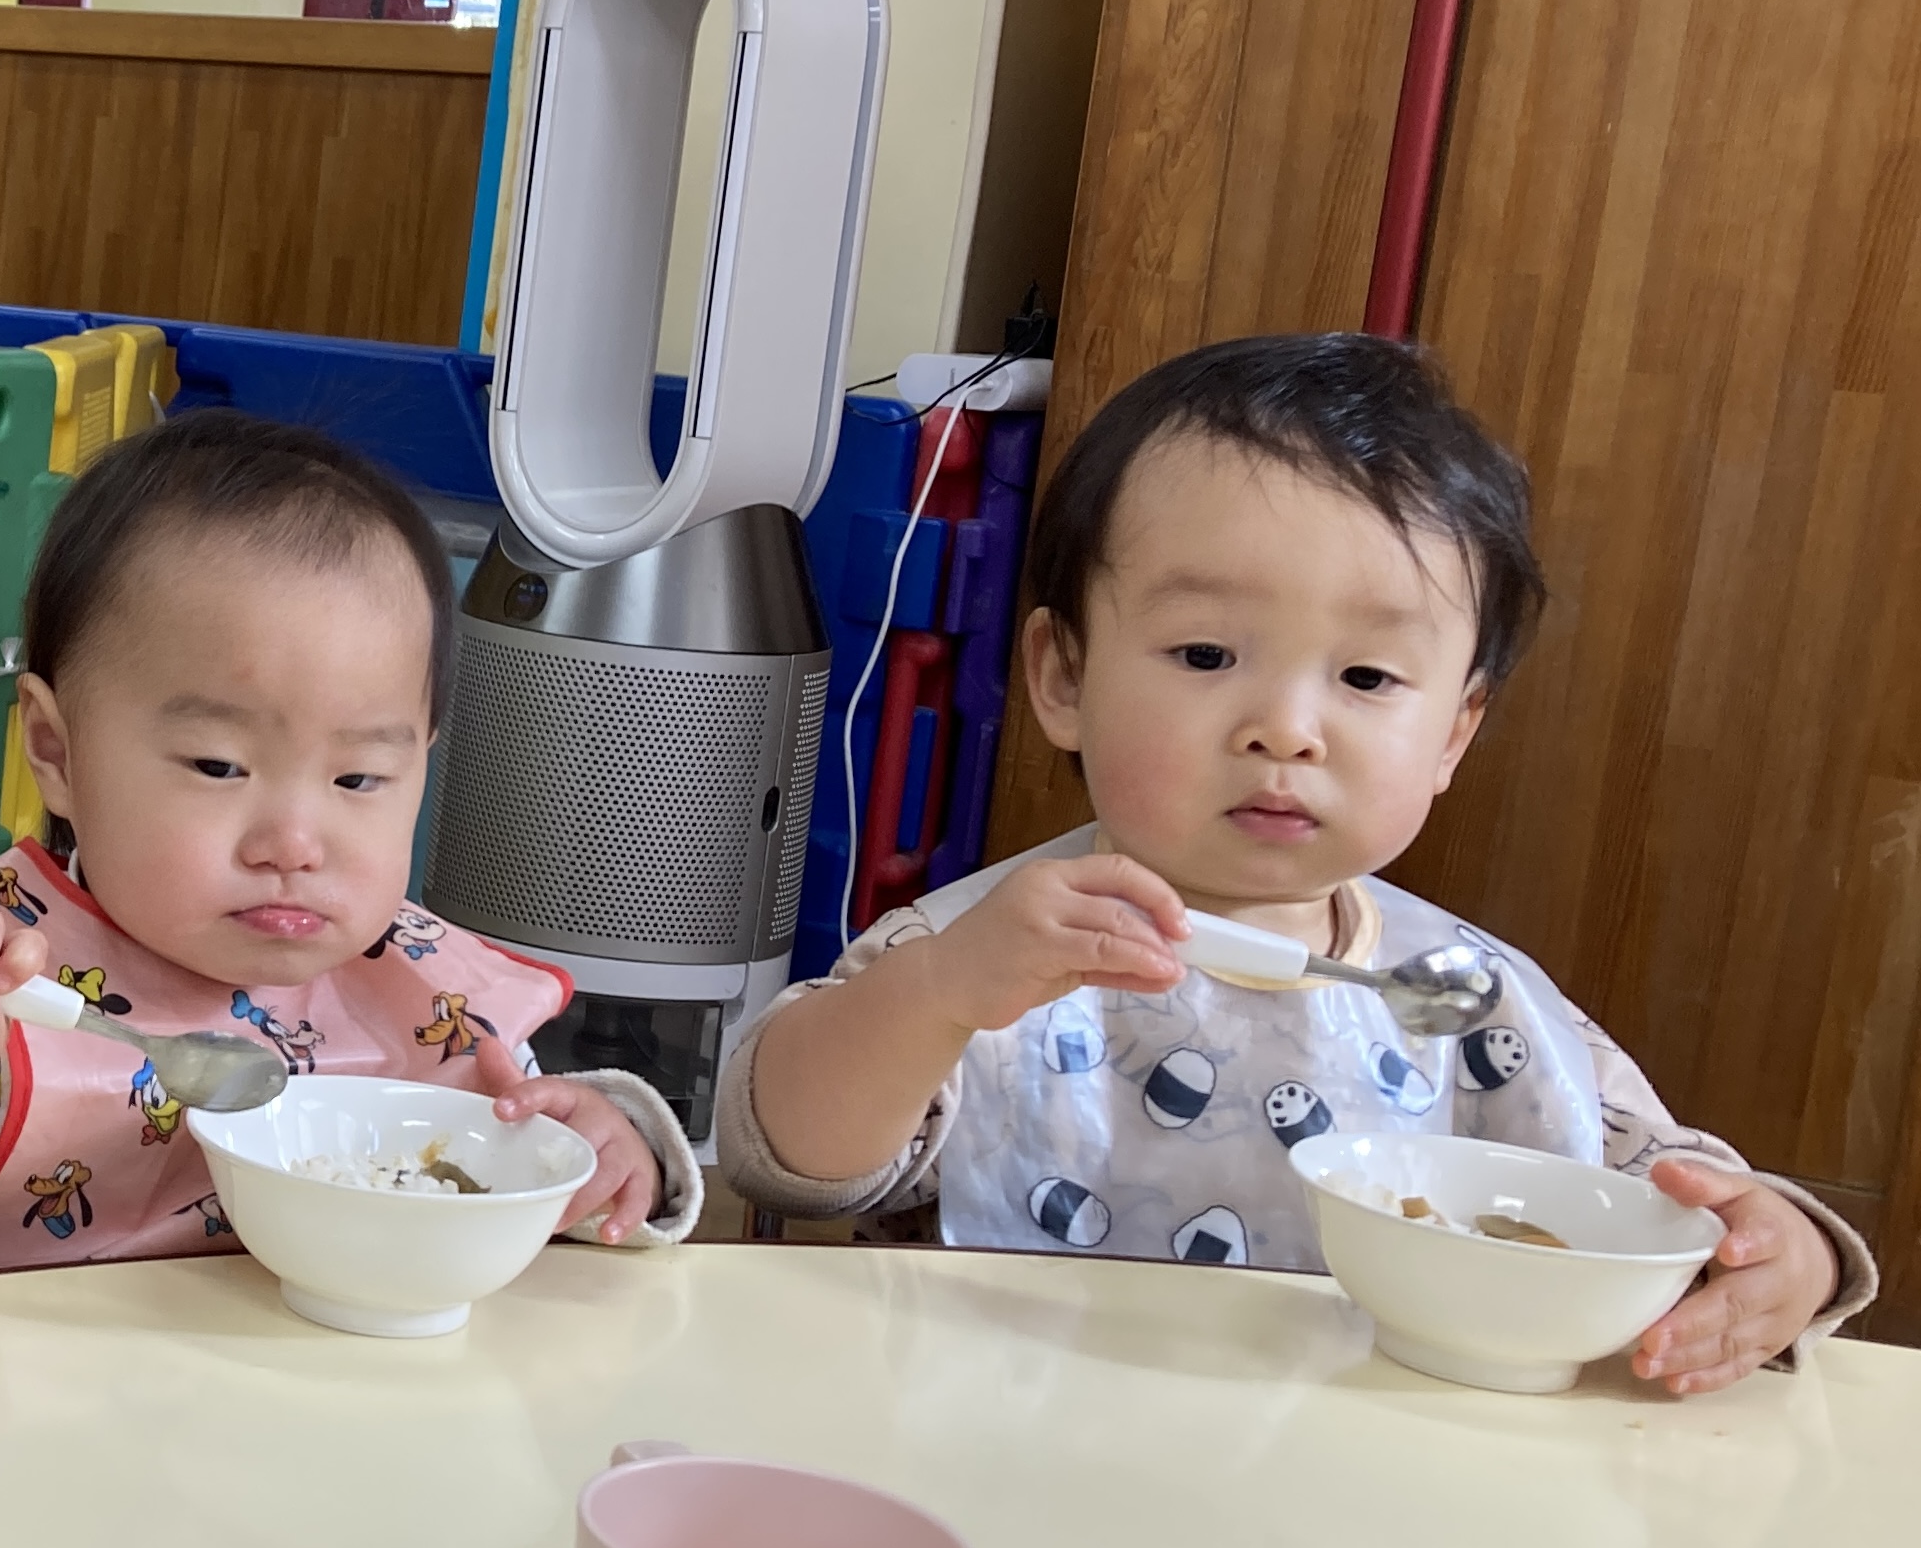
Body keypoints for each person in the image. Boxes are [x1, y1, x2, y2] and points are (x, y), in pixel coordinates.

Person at [720, 334, 1874, 1395]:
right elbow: (785, 1158)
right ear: (1064, 676)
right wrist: (935, 994)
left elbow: (1668, 1196)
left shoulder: (1463, 998)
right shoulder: (983, 954)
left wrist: (1787, 1250)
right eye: (1206, 652)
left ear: (1454, 733)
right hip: (1004, 1443)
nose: (1286, 727)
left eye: (1367, 677)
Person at [0, 412, 699, 1284]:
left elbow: (530, 1174)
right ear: (56, 749)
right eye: (220, 766)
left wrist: (608, 1150)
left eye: (359, 778)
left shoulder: (420, 989)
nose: (294, 843)